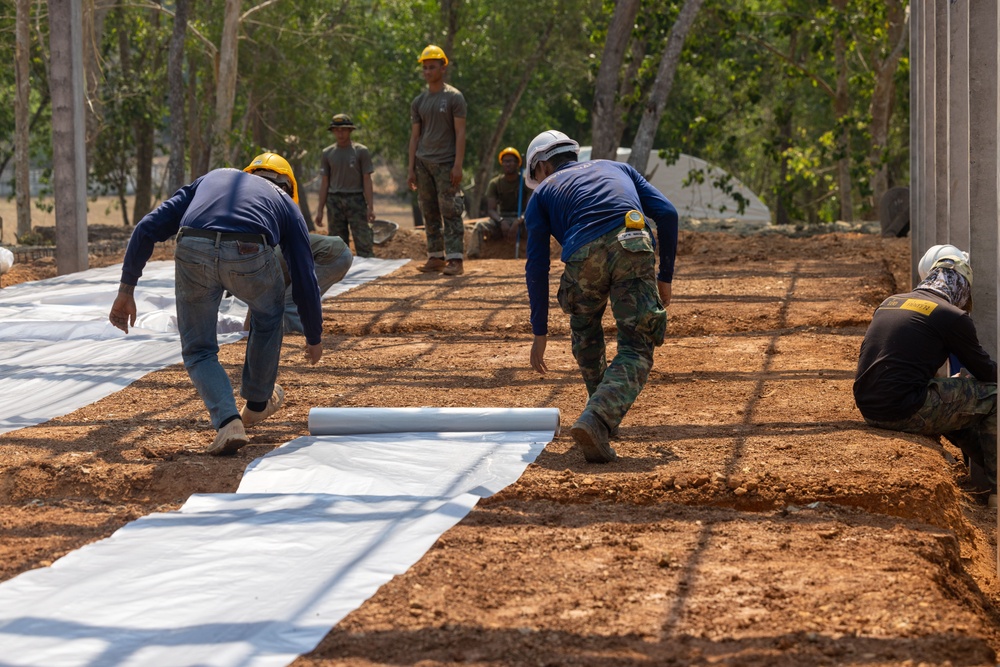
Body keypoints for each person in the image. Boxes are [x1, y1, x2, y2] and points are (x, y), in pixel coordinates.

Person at [108, 152, 324, 456]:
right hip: (251, 249)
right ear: (289, 186)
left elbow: (147, 227)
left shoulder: (214, 177)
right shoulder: (285, 203)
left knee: (198, 349)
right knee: (268, 314)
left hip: (192, 246)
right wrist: (313, 335)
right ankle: (258, 403)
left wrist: (126, 290)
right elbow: (304, 274)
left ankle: (228, 422)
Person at [523, 130, 678, 464]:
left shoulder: (541, 196)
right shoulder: (618, 169)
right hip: (631, 242)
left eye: (535, 175)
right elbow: (667, 214)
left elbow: (536, 266)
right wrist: (665, 277)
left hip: (582, 256)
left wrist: (540, 332)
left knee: (586, 329)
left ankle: (599, 414)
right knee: (637, 346)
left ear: (543, 165)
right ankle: (599, 417)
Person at [853, 247, 997, 502]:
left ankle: (984, 470)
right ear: (961, 288)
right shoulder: (951, 315)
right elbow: (986, 372)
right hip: (902, 411)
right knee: (994, 396)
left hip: (869, 407)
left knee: (955, 399)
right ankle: (998, 492)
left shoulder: (891, 302)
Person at [407, 44, 467, 276]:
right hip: (423, 163)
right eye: (425, 67)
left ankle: (455, 259)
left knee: (450, 210)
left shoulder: (454, 97)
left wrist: (458, 164)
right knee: (429, 211)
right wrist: (411, 168)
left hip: (446, 163)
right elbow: (414, 137)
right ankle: (435, 256)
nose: (427, 71)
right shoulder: (418, 101)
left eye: (432, 67)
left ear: (443, 68)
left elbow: (460, 132)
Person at [314, 113, 376, 258]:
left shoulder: (361, 151)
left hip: (356, 199)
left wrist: (370, 207)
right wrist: (320, 210)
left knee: (363, 239)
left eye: (343, 129)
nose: (340, 133)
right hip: (334, 200)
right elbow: (325, 182)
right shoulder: (327, 153)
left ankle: (369, 272)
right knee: (337, 243)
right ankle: (341, 272)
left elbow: (367, 179)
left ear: (350, 130)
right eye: (336, 130)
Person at [276, 233, 353, 334]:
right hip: (337, 252)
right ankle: (307, 333)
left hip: (331, 257)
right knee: (295, 301)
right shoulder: (265, 255)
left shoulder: (265, 268)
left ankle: (302, 339)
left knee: (291, 305)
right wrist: (247, 332)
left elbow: (257, 306)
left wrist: (247, 332)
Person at [468, 147, 532, 259]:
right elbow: (491, 209)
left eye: (511, 161)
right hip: (502, 219)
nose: (507, 164)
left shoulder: (526, 182)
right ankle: (473, 255)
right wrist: (501, 221)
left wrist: (518, 222)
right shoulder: (495, 183)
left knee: (537, 225)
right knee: (479, 226)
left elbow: (531, 208)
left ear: (518, 164)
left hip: (522, 220)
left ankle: (539, 253)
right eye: (505, 161)